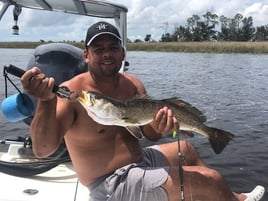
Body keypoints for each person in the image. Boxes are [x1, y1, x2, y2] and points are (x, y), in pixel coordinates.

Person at [21, 21, 265, 201]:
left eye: (113, 47)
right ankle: (229, 198)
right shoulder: (73, 94)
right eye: (98, 49)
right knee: (211, 180)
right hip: (109, 183)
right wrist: (45, 100)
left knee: (188, 149)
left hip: (139, 161)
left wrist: (161, 126)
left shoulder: (133, 84)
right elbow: (42, 150)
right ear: (86, 55)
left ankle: (223, 197)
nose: (107, 53)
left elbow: (150, 134)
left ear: (122, 52)